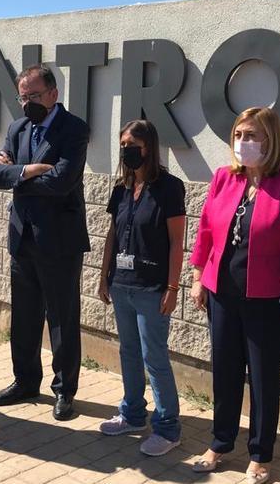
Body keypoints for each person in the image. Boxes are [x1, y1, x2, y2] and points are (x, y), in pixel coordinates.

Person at [188, 107, 280, 483]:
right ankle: (220, 442)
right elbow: (206, 230)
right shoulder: (224, 178)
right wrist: (198, 276)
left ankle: (260, 453)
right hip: (223, 293)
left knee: (265, 378)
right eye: (238, 135)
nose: (242, 143)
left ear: (271, 140)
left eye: (251, 136)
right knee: (225, 371)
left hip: (269, 299)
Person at [0, 65, 90, 421]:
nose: (27, 103)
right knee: (25, 317)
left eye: (34, 95)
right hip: (23, 238)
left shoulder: (74, 129)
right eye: (22, 96)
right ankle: (25, 381)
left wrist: (14, 174)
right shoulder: (18, 128)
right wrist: (28, 171)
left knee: (62, 318)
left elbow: (62, 181)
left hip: (60, 241)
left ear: (53, 94)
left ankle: (65, 390)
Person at [96, 120, 185, 456]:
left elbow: (177, 242)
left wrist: (173, 287)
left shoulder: (169, 187)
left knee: (154, 357)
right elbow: (112, 235)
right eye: (122, 144)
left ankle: (168, 427)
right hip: (122, 285)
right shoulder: (120, 188)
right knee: (128, 352)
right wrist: (104, 275)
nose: (126, 150)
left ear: (149, 146)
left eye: (132, 143)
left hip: (152, 287)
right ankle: (133, 414)